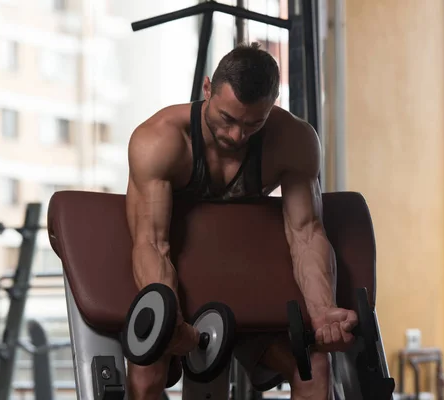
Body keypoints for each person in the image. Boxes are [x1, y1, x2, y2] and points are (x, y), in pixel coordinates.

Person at [125, 42, 358, 400]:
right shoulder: (161, 140)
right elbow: (152, 242)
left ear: (272, 106)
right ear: (207, 90)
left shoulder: (293, 140)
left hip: (246, 289)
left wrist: (322, 311)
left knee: (313, 367)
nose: (236, 136)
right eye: (227, 119)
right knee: (146, 375)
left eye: (254, 123)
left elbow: (306, 234)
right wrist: (169, 320)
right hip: (176, 287)